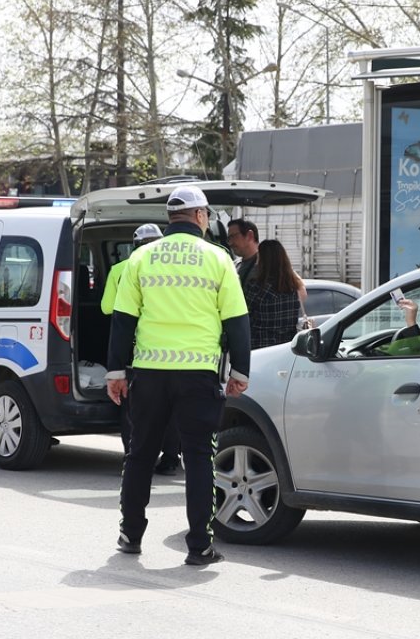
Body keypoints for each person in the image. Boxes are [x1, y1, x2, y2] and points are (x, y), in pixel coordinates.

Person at [105, 185, 251, 566]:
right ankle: (199, 545)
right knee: (200, 458)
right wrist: (240, 371)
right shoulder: (218, 258)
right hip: (199, 374)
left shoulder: (143, 257)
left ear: (171, 218)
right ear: (201, 216)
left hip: (150, 374)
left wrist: (116, 372)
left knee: (140, 453)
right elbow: (237, 320)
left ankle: (130, 534)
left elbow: (122, 322)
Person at [100, 223, 181, 475]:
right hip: (172, 350)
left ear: (134, 246)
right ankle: (170, 459)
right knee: (170, 410)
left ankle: (132, 458)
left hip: (137, 352)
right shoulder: (174, 269)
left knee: (132, 410)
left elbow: (106, 308)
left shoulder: (120, 269)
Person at [244, 239, 308, 348]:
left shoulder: (255, 287)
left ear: (263, 260)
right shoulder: (293, 288)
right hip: (286, 348)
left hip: (260, 348)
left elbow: (244, 316)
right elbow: (303, 292)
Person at [227, 218, 260, 288]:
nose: (230, 243)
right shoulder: (234, 265)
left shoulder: (265, 267)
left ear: (249, 236)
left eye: (233, 237)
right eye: (229, 239)